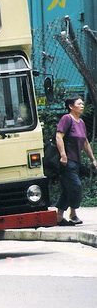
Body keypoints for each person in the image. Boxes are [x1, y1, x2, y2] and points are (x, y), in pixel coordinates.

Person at [55, 96, 97, 226]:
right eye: (79, 104)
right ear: (71, 106)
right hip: (67, 161)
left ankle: (60, 217)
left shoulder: (81, 122)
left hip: (76, 161)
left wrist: (93, 159)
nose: (82, 105)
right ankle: (71, 214)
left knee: (68, 188)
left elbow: (85, 142)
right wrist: (63, 155)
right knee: (76, 186)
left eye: (82, 103)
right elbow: (58, 136)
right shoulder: (67, 119)